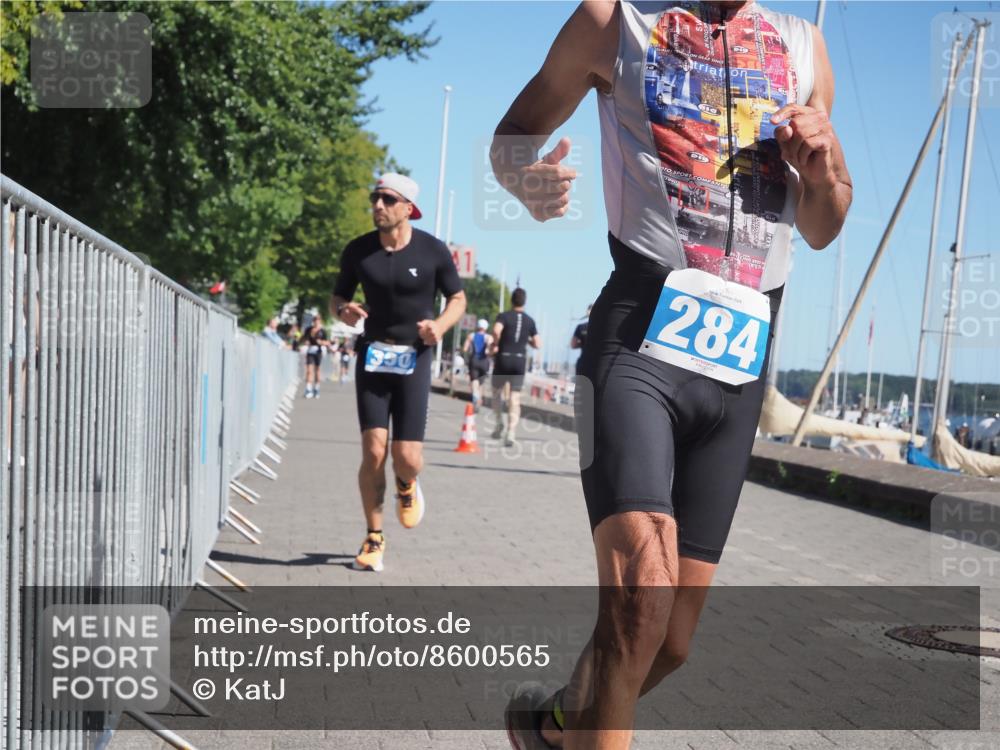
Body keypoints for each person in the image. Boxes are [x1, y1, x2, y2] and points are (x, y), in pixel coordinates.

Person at [491, 1, 851, 747]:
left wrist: (821, 176)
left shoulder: (805, 47)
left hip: (738, 367)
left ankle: (557, 725)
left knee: (671, 640)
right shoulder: (611, 19)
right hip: (637, 343)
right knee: (638, 609)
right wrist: (527, 183)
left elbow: (822, 226)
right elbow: (513, 137)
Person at [332, 172, 466, 572]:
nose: (378, 206)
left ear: (408, 208)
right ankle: (374, 537)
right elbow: (338, 296)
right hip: (373, 356)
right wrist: (343, 311)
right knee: (373, 451)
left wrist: (439, 327)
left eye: (388, 200)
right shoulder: (358, 251)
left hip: (415, 359)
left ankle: (406, 485)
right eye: (375, 198)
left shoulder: (433, 251)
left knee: (405, 457)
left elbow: (457, 298)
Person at [490, 288, 540, 447]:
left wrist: (496, 343)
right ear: (524, 302)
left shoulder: (504, 316)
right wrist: (529, 341)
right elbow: (538, 343)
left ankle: (499, 423)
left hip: (503, 359)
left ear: (512, 300)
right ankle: (511, 431)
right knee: (515, 398)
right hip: (519, 361)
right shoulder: (530, 321)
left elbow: (496, 331)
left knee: (496, 394)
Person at [463, 318, 494, 412]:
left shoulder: (471, 336)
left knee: (474, 381)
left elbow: (465, 349)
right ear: (486, 327)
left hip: (474, 360)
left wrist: (468, 354)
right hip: (484, 361)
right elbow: (489, 350)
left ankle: (475, 397)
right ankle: (479, 401)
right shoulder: (489, 337)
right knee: (481, 383)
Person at [301, 315, 330, 399]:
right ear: (313, 321)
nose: (316, 322)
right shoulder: (309, 329)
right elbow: (303, 338)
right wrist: (302, 342)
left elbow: (327, 342)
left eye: (318, 320)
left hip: (318, 352)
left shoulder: (323, 331)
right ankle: (308, 389)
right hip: (310, 351)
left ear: (320, 321)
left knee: (317, 370)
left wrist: (321, 342)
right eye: (315, 320)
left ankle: (316, 389)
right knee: (309, 370)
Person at [569, 305, 592, 376]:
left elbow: (573, 345)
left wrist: (583, 343)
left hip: (584, 362)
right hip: (599, 362)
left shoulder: (581, 327)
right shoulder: (604, 327)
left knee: (582, 386)